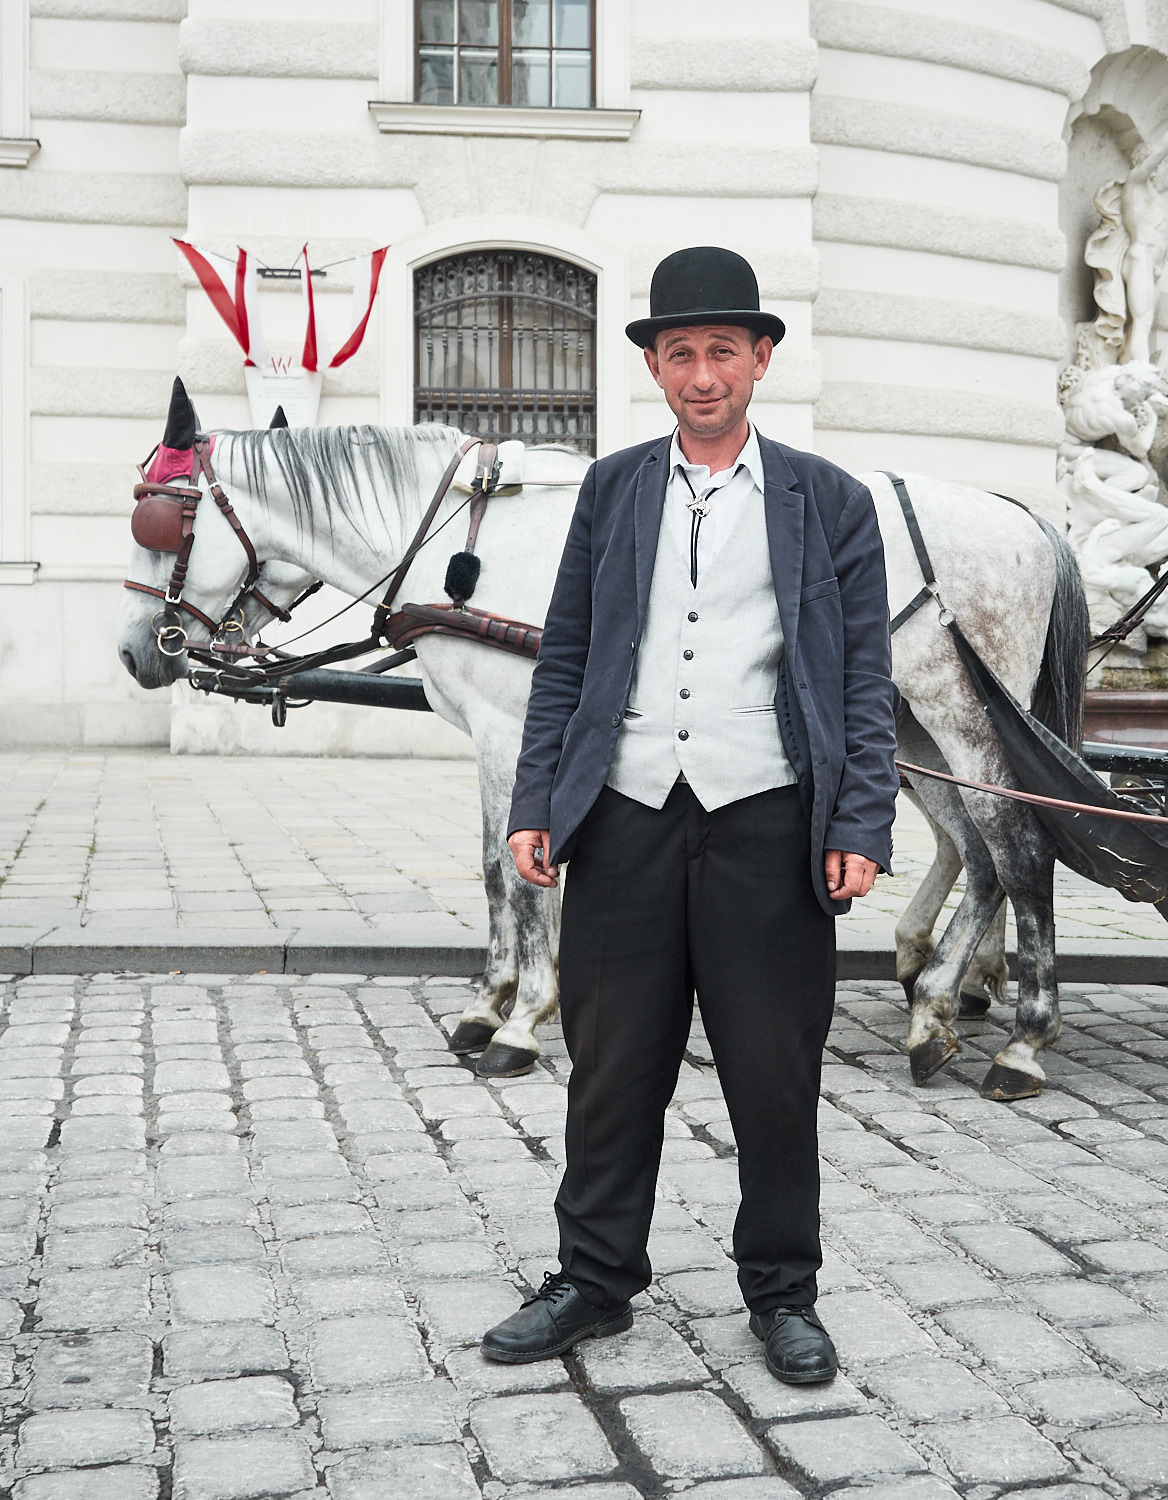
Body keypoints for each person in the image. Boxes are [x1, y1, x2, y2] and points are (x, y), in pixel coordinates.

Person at [480, 246, 899, 1384]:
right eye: (680, 355)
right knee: (611, 1066)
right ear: (655, 369)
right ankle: (594, 1279)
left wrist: (860, 822)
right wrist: (539, 803)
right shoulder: (614, 491)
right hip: (623, 818)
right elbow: (566, 655)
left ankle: (782, 1295)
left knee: (772, 1069)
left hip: (768, 819)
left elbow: (863, 678)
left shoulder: (830, 501)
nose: (702, 374)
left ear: (761, 359)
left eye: (722, 351)